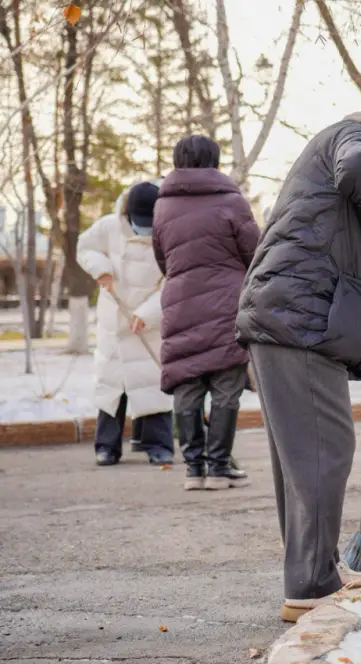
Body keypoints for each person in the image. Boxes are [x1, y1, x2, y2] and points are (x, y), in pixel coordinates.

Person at [235, 88, 361, 623]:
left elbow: (344, 259)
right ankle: (312, 583)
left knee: (304, 458)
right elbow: (357, 174)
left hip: (294, 319)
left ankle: (315, 571)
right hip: (293, 321)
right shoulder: (355, 134)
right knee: (326, 450)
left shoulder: (349, 154)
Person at [152, 135, 260, 491]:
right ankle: (218, 467)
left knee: (186, 381)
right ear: (214, 160)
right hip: (226, 302)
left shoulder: (163, 205)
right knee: (227, 386)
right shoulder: (231, 201)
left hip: (180, 301)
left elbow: (163, 258)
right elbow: (254, 253)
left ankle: (193, 469)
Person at [77, 181, 174, 466]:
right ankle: (106, 446)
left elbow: (172, 283)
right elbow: (85, 247)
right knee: (111, 387)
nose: (143, 229)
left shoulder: (169, 235)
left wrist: (148, 313)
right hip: (114, 324)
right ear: (127, 215)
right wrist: (101, 269)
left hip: (147, 324)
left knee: (151, 384)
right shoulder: (109, 226)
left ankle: (158, 445)